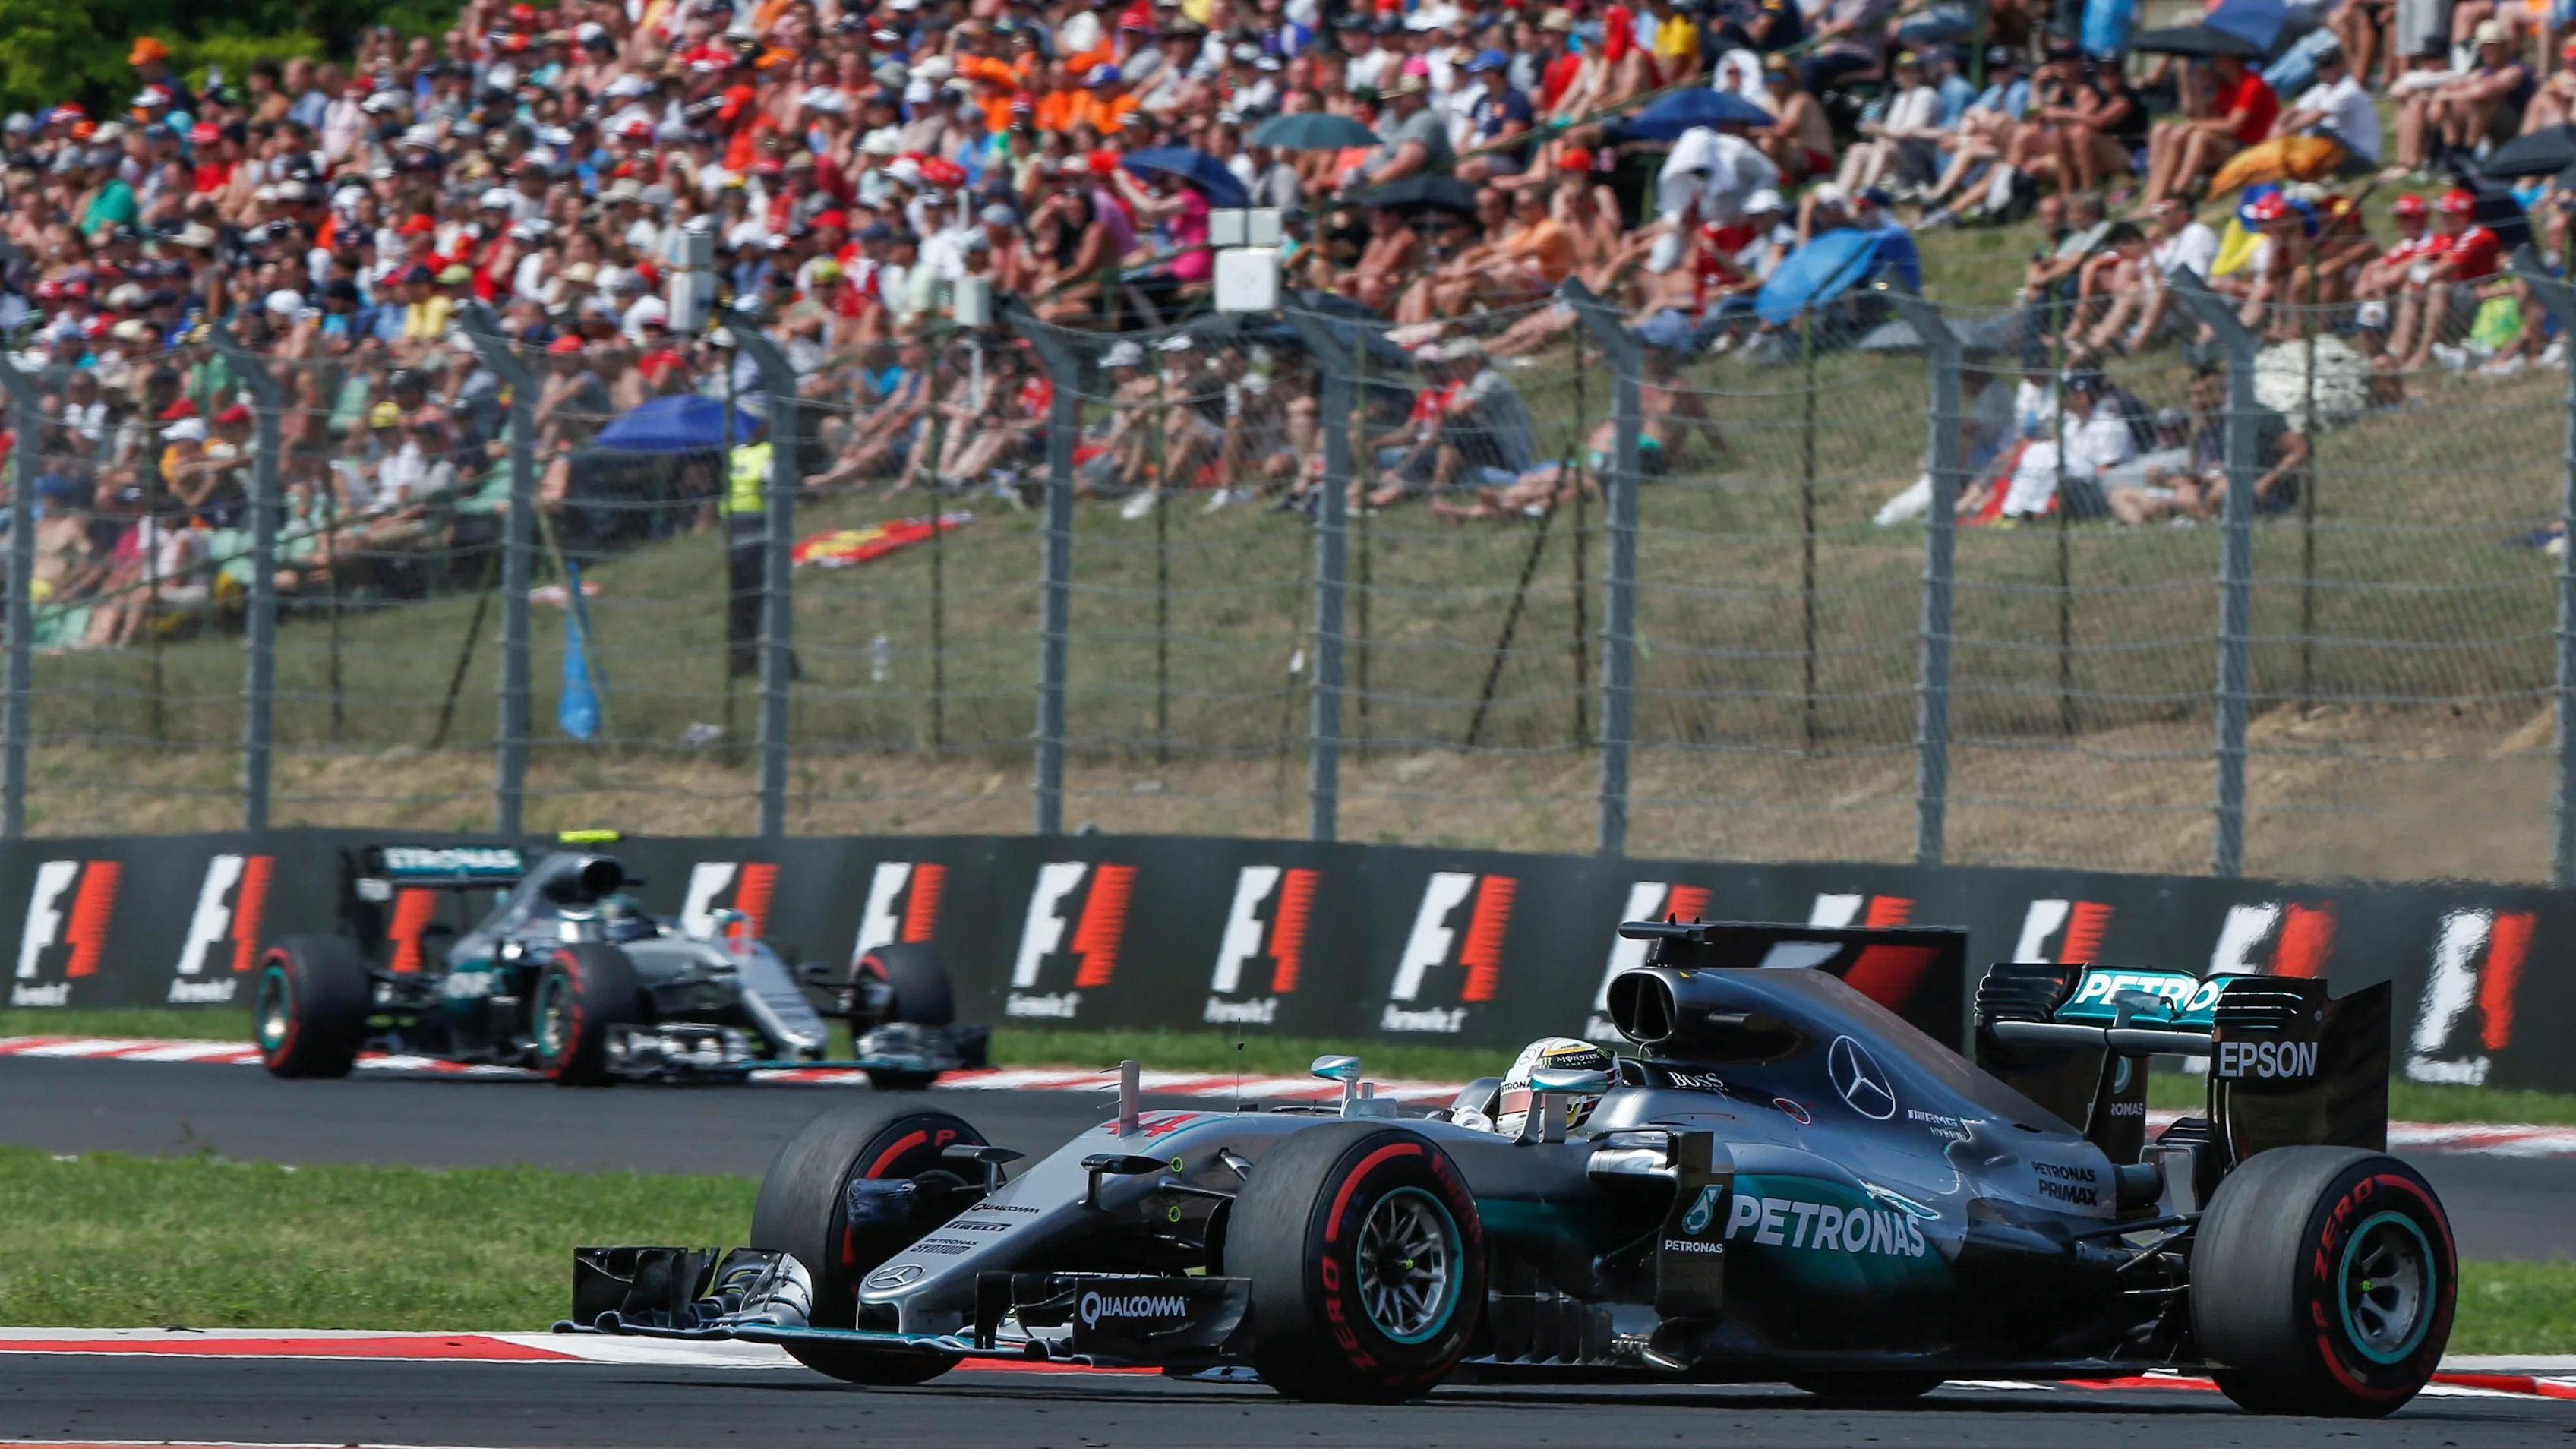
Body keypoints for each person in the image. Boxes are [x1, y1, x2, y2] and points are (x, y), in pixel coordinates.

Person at [2139, 53, 2276, 210]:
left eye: (2213, 59)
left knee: (2199, 136)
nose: (2210, 64)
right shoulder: (2226, 88)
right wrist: (2191, 81)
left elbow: (2232, 125)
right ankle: (2154, 195)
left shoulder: (2252, 85)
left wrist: (2194, 125)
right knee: (2163, 130)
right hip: (2228, 143)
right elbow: (2201, 115)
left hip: (2250, 147)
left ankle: (2176, 194)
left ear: (2228, 59)